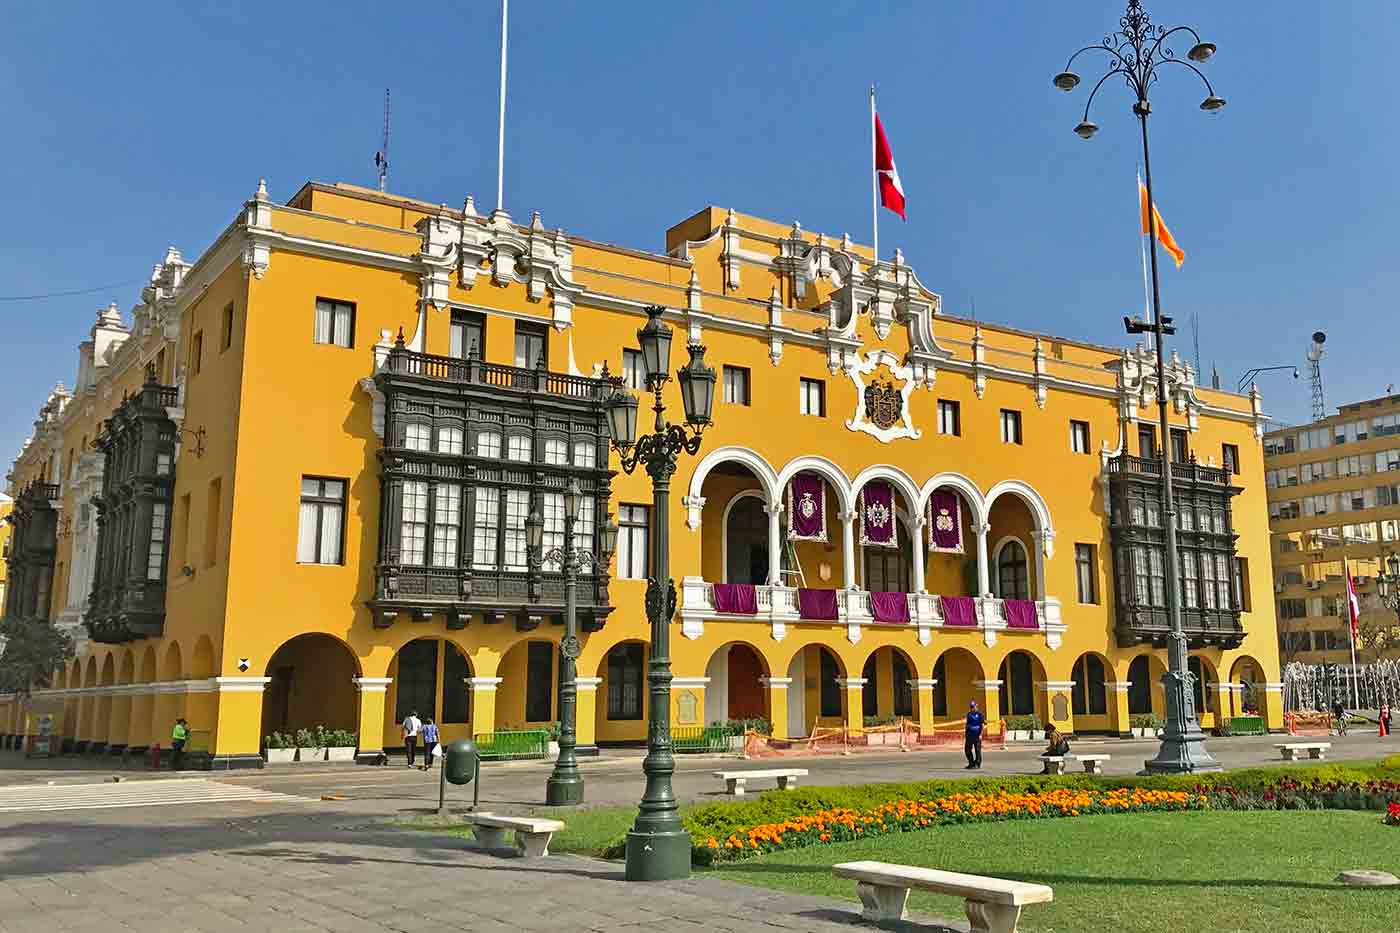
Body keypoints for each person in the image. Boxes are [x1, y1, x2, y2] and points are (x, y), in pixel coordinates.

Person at [964, 701, 984, 770]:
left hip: (977, 735)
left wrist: (981, 734)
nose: (972, 708)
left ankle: (977, 764)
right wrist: (966, 733)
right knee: (967, 749)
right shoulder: (969, 714)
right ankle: (971, 763)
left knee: (977, 750)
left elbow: (982, 725)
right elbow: (967, 724)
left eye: (973, 706)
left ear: (976, 706)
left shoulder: (980, 714)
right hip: (969, 734)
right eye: (971, 707)